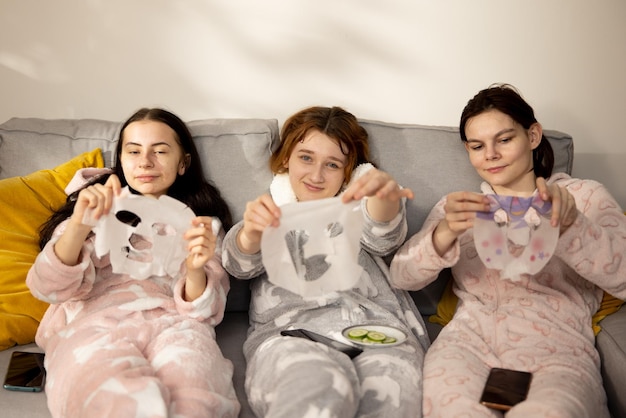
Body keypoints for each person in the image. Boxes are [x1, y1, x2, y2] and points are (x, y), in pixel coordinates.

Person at [390, 84, 626, 417]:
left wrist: (573, 225)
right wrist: (445, 232)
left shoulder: (584, 197)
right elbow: (401, 276)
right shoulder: (459, 207)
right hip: (469, 344)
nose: (490, 155)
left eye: (504, 139)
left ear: (532, 136)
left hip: (557, 349)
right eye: (477, 146)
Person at [26, 108, 240, 418]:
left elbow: (205, 312)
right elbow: (47, 287)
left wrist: (195, 268)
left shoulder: (200, 225)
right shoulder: (92, 210)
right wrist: (79, 225)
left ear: (183, 162)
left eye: (161, 151)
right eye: (134, 151)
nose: (145, 162)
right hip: (96, 323)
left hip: (177, 327)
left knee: (196, 392)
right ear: (121, 160)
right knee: (106, 392)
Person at [222, 106, 429, 418]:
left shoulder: (357, 210)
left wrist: (383, 192)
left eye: (332, 164)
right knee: (313, 388)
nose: (316, 175)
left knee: (390, 393)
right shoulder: (270, 214)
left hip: (376, 330)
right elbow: (238, 263)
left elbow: (384, 234)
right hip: (291, 334)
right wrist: (252, 233)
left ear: (351, 173)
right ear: (286, 160)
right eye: (306, 157)